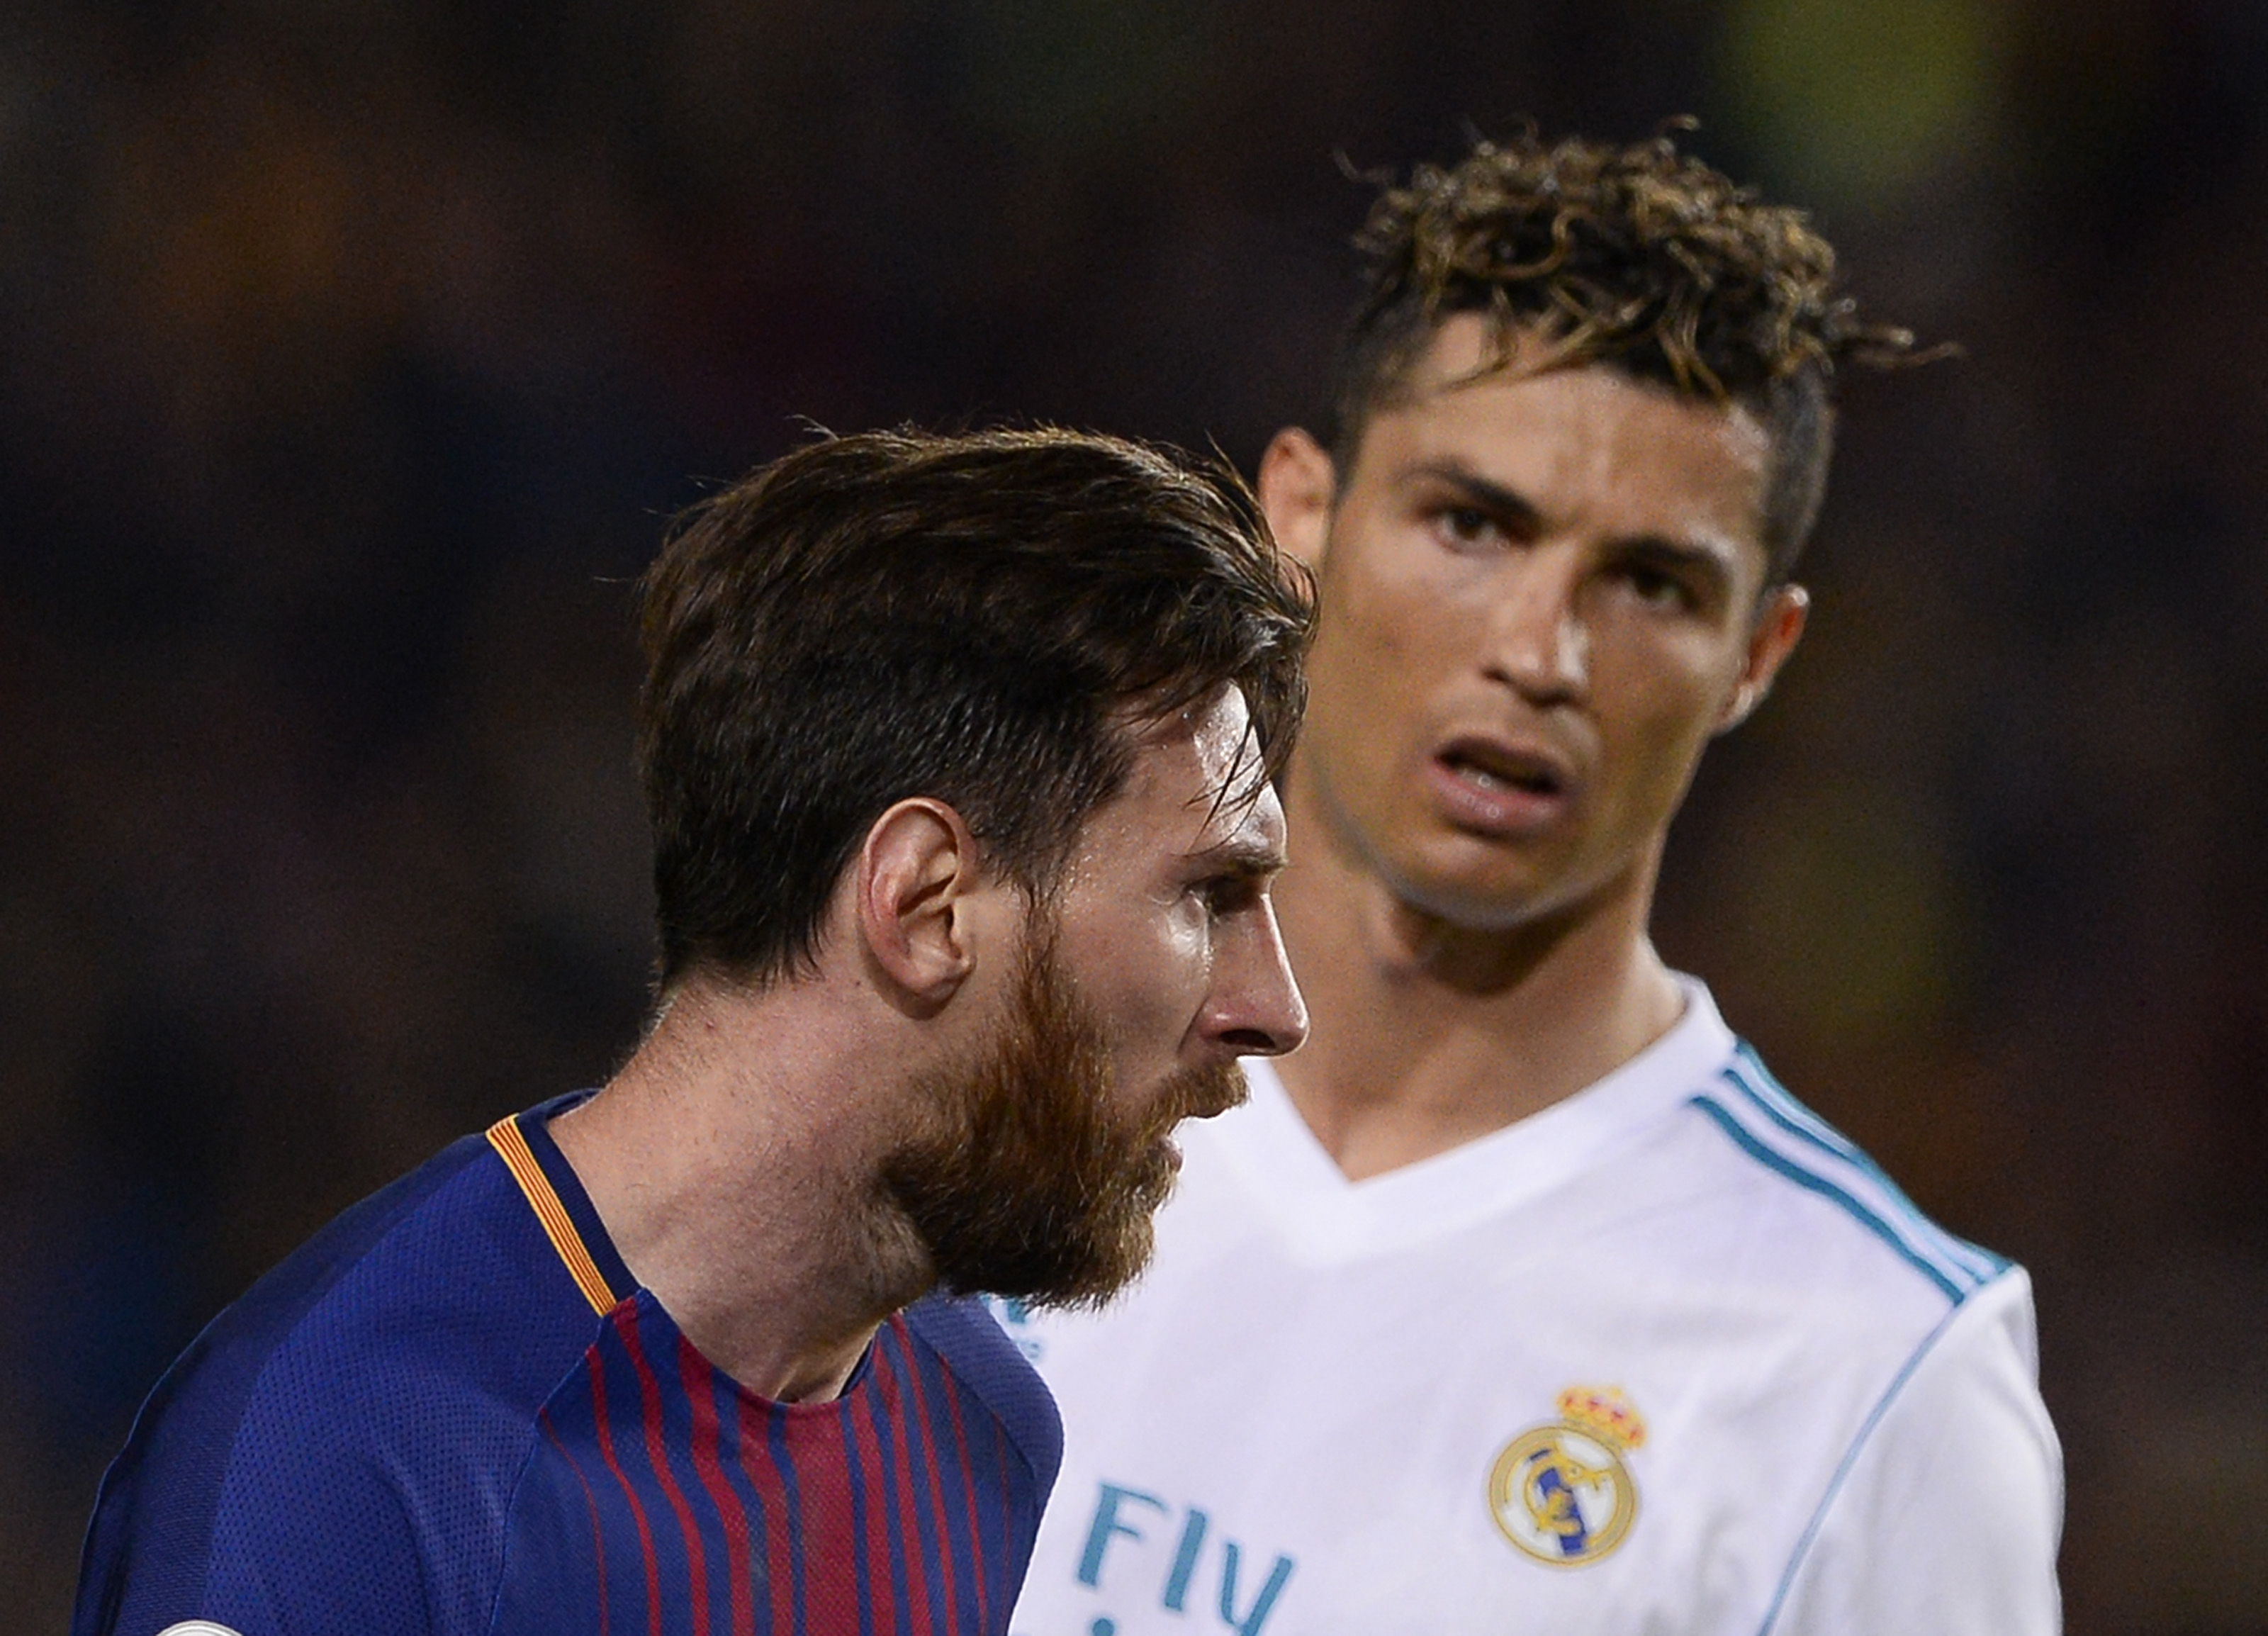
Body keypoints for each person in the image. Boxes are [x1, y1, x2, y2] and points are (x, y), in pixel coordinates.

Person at [1003, 131, 2062, 1635]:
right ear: (1298, 517)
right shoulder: (981, 1084)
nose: (1540, 651)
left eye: (1650, 583)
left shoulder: (1872, 1365)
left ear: (1757, 657)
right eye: (1471, 523)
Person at [74, 425, 1315, 1636]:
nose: (1275, 1008)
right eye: (1210, 895)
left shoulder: (981, 1422)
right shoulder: (334, 1474)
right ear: (926, 902)